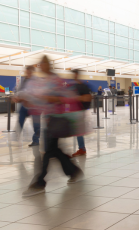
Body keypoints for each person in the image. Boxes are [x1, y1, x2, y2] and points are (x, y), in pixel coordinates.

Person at [21, 56, 86, 197]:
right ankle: (74, 172)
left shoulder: (55, 80)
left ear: (47, 65)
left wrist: (51, 99)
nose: (40, 66)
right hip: (50, 120)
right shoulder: (44, 81)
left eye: (42, 63)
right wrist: (26, 100)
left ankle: (39, 182)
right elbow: (38, 100)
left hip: (57, 119)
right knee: (54, 150)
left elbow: (65, 97)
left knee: (49, 152)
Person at [14, 65, 41, 147]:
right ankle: (17, 135)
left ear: (32, 71)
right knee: (20, 120)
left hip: (34, 105)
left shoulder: (36, 80)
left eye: (29, 71)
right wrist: (16, 96)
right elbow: (18, 89)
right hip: (25, 105)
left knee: (36, 125)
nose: (28, 73)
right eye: (27, 71)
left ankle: (36, 140)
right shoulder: (24, 80)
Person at [71, 70, 92, 157]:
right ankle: (81, 148)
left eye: (74, 74)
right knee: (77, 130)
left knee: (78, 130)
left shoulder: (83, 86)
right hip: (75, 110)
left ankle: (82, 148)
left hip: (80, 110)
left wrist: (77, 98)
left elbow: (88, 98)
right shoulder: (74, 85)